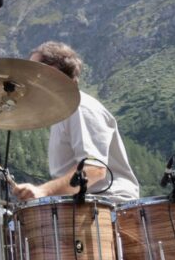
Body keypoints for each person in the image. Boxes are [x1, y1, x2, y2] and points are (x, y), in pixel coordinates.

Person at [13, 42, 139, 204]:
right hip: (85, 203)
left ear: (52, 72)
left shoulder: (80, 108)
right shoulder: (64, 113)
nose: (28, 80)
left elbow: (94, 169)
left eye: (33, 72)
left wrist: (43, 190)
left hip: (110, 206)